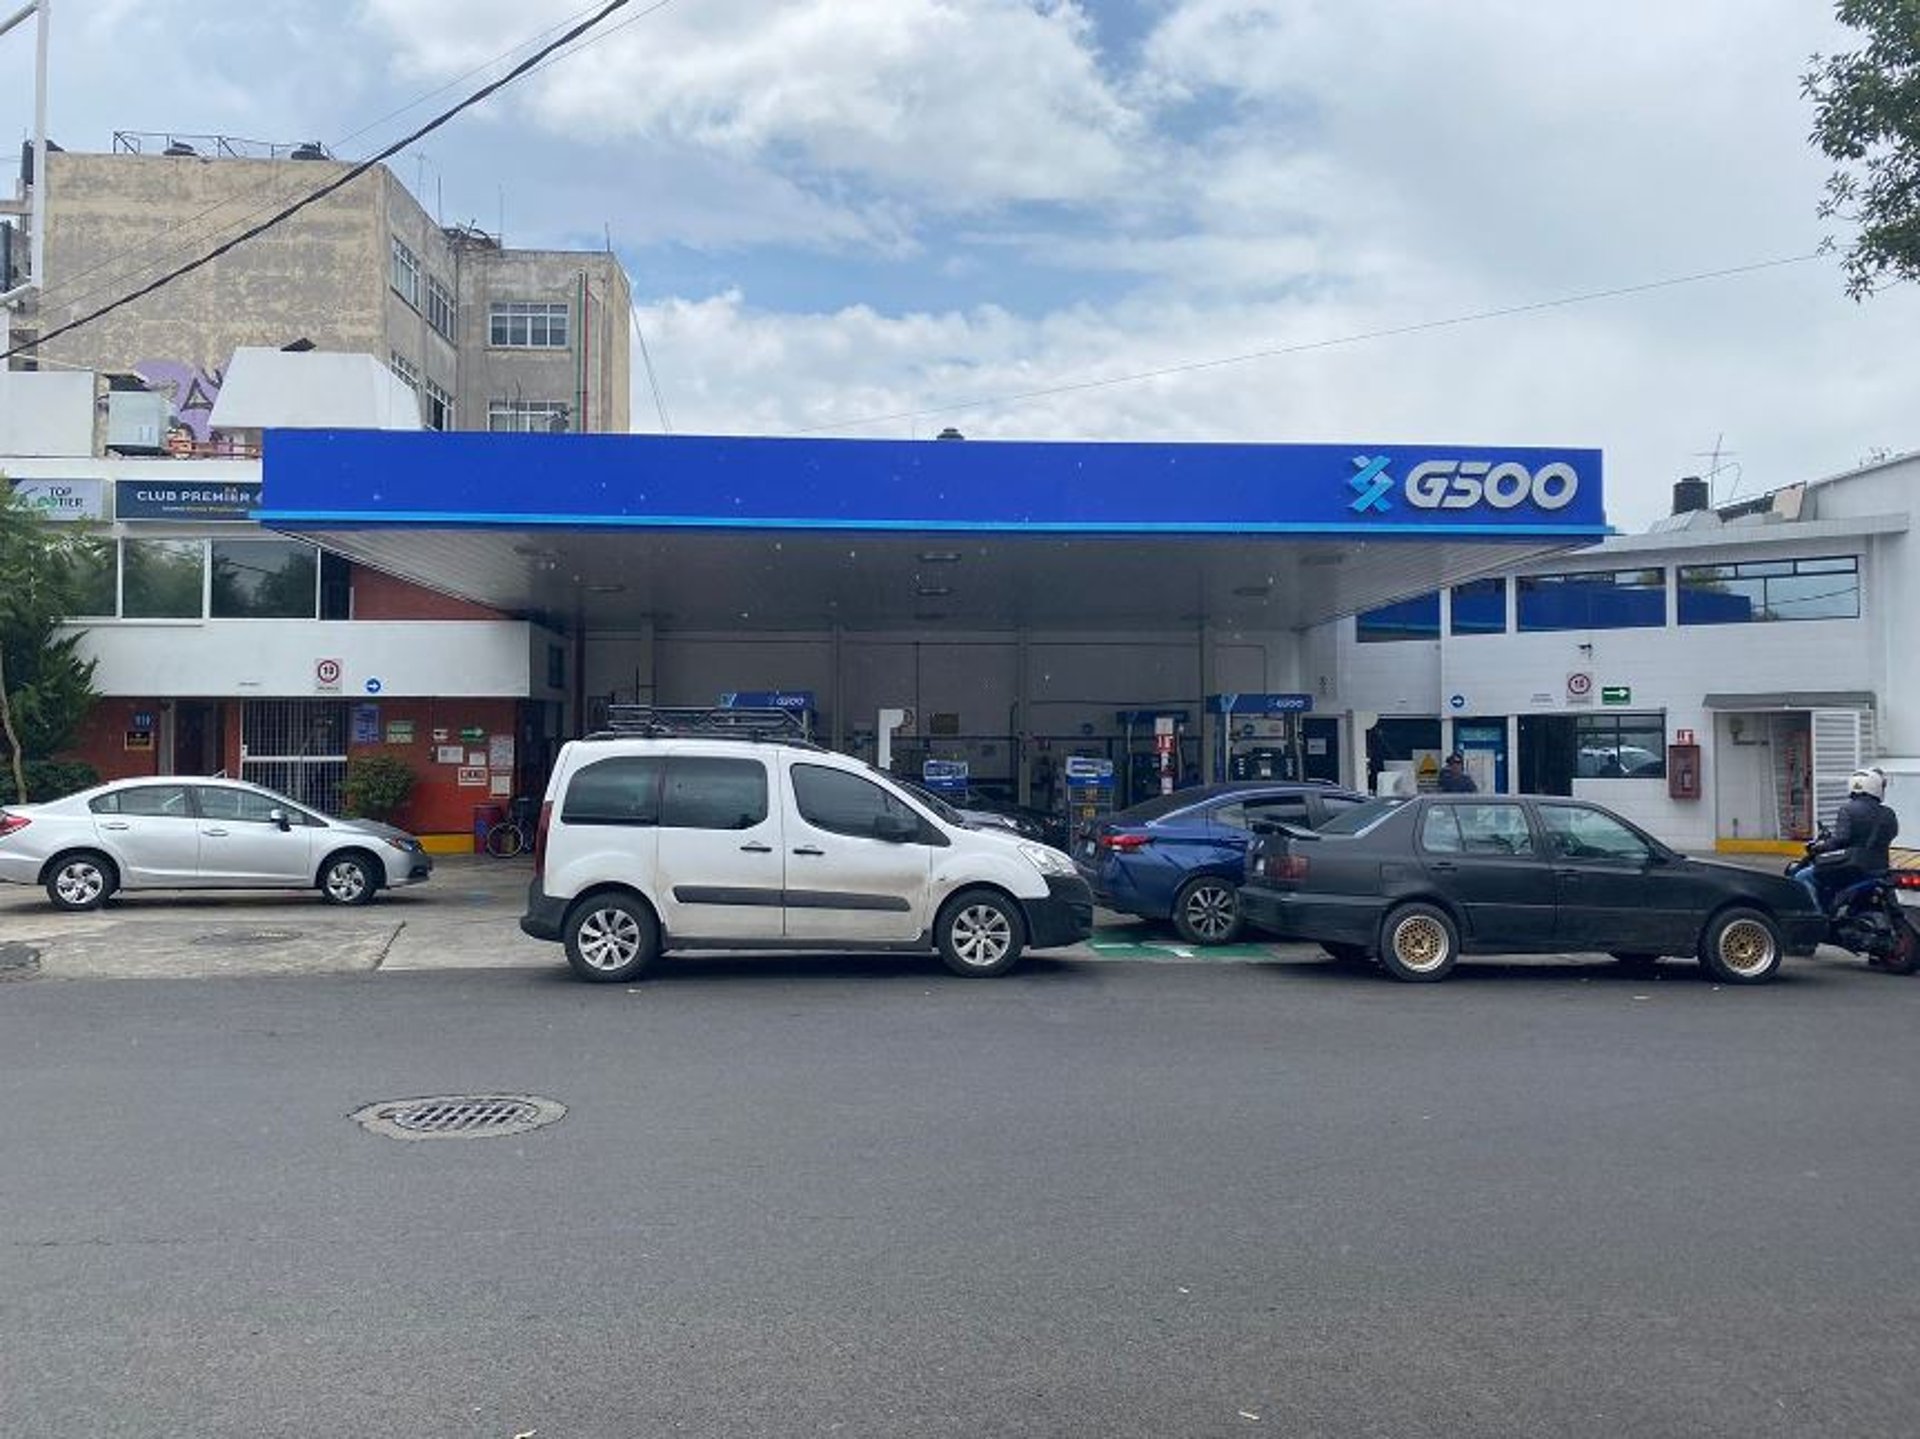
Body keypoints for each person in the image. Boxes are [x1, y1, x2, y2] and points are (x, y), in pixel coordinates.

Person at [1796, 768, 1899, 917]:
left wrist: (1820, 847)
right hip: (1880, 867)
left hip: (1852, 868)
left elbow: (1841, 839)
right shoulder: (1889, 813)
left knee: (1803, 876)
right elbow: (1893, 834)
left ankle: (1818, 918)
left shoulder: (1848, 809)